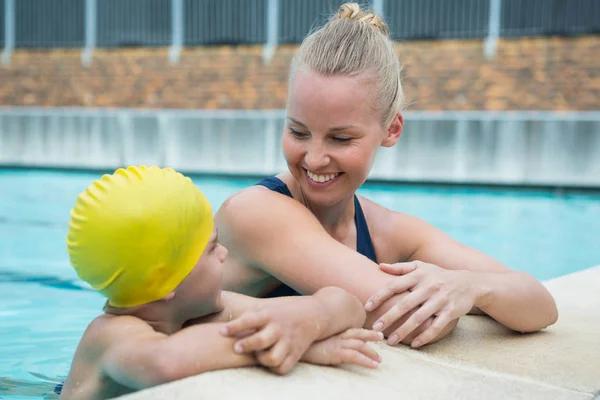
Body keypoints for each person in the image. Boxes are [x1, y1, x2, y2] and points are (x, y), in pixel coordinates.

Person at [215, 2, 558, 349]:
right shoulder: (256, 212)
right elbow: (405, 317)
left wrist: (469, 286)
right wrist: (450, 297)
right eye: (298, 132)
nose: (315, 159)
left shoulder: (388, 231)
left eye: (341, 138)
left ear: (391, 129)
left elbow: (540, 305)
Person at [58, 165, 383, 400]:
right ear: (166, 281)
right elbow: (167, 362)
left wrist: (309, 320)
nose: (225, 254)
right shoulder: (109, 337)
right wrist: (280, 342)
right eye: (212, 247)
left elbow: (348, 303)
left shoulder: (205, 310)